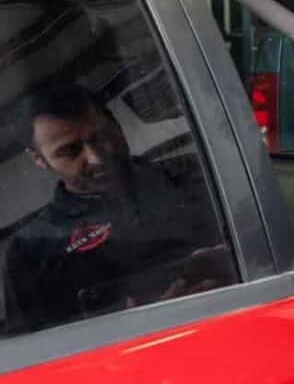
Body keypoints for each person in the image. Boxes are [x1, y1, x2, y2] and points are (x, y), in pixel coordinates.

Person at [4, 83, 231, 331]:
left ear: (117, 127)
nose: (96, 158)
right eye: (70, 151)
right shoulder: (34, 249)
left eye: (99, 138)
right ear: (39, 158)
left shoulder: (199, 176)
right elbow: (41, 349)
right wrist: (133, 324)